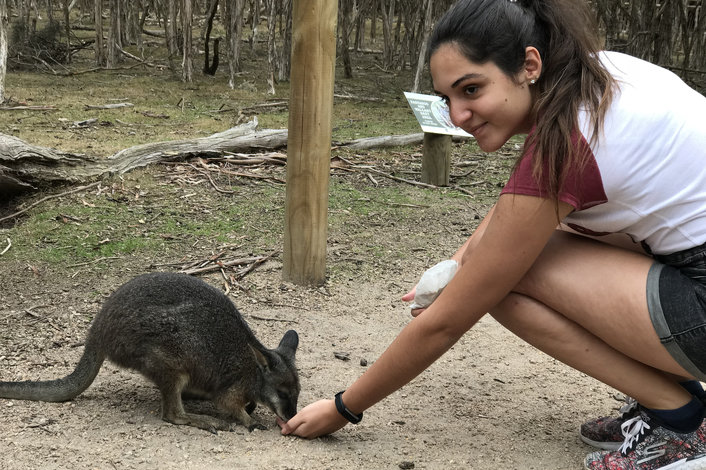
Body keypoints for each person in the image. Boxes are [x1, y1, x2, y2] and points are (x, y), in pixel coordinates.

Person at [278, 0, 706, 468]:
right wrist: (460, 260)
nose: (458, 115)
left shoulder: (568, 144)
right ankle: (671, 397)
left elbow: (447, 320)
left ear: (529, 65)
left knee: (497, 283)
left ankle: (681, 421)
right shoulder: (599, 74)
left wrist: (344, 407)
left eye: (471, 89)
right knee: (494, 266)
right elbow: (516, 211)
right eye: (447, 99)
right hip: (686, 260)